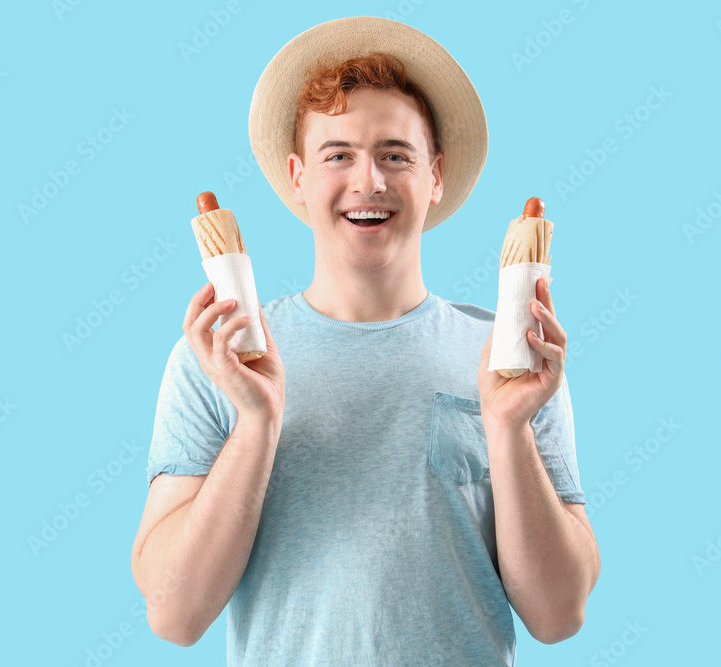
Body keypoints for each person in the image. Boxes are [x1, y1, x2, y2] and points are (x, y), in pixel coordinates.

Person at [131, 16, 599, 666]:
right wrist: (257, 422)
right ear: (297, 177)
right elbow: (175, 613)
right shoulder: (214, 361)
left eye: (395, 154)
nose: (369, 181)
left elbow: (559, 612)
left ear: (435, 176)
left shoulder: (513, 361)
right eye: (338, 154)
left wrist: (509, 425)